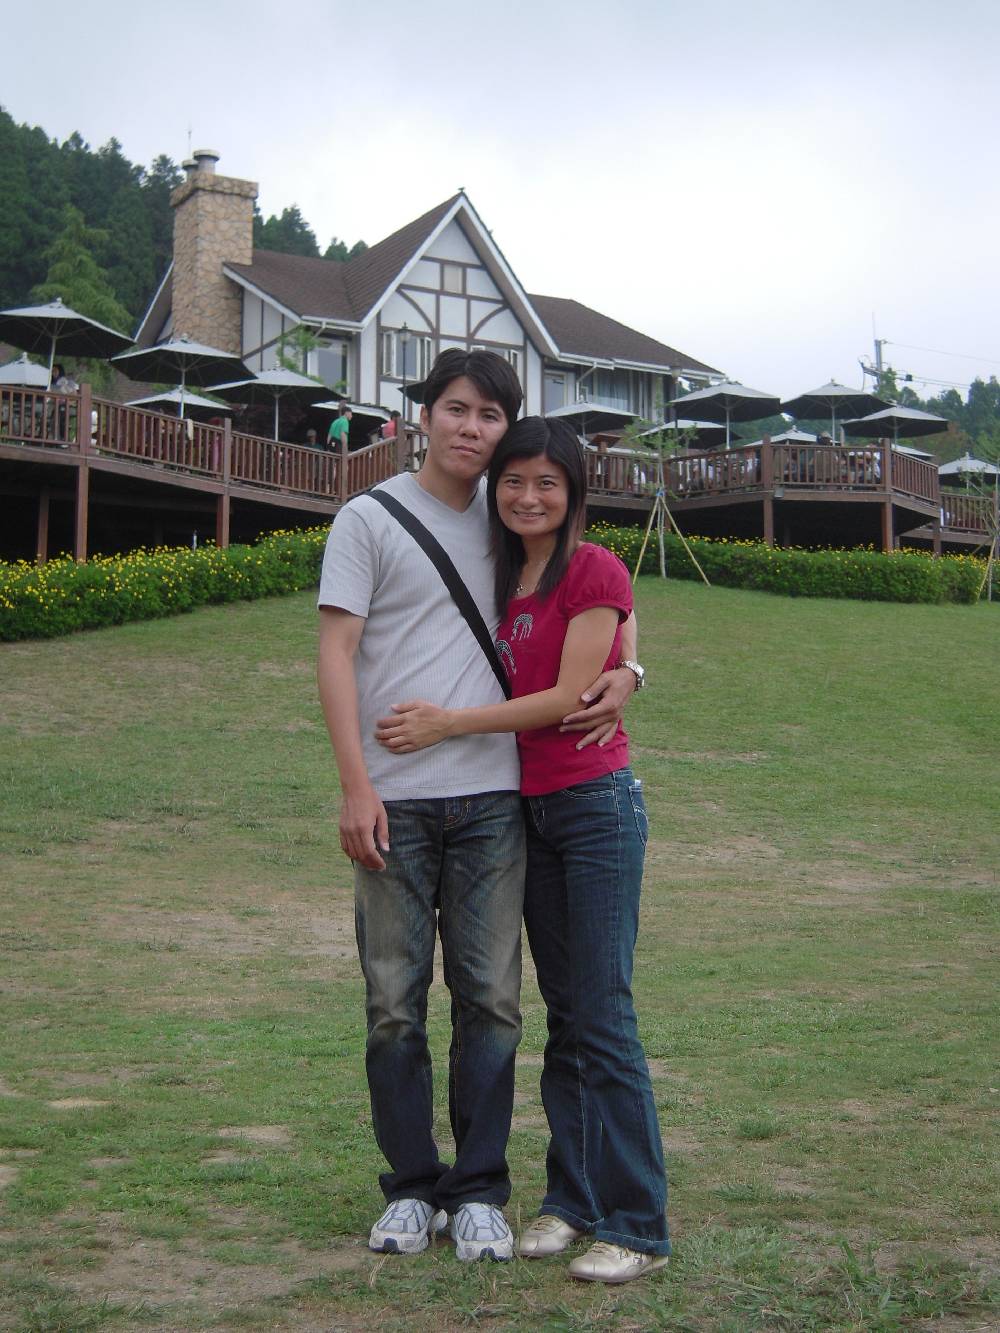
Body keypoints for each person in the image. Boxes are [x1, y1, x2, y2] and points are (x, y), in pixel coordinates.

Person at [317, 350, 639, 1264]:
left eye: (490, 415)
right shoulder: (369, 518)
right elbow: (336, 653)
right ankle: (412, 1186)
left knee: (493, 1000)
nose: (471, 427)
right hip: (394, 797)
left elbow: (600, 590)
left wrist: (631, 668)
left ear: (507, 429)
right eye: (456, 409)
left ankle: (481, 1188)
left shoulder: (510, 520)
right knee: (393, 1001)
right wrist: (354, 783)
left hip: (496, 798)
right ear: (425, 415)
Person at [375, 415, 669, 1285]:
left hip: (595, 806)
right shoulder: (507, 571)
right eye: (514, 480)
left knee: (604, 1014)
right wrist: (634, 665)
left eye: (548, 482)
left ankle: (637, 1222)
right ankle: (572, 1200)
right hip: (528, 810)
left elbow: (571, 693)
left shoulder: (592, 564)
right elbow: (619, 642)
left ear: (574, 491)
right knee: (565, 1014)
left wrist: (449, 724)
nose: (528, 496)